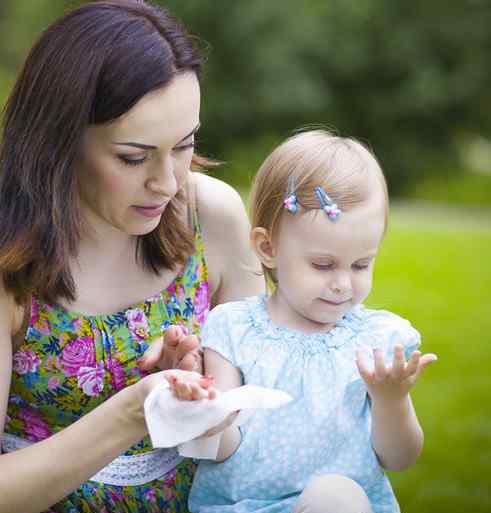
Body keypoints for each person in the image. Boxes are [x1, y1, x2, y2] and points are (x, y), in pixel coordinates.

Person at [0, 2, 263, 512]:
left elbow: (259, 427)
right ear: (58, 140)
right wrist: (133, 412)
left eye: (184, 145)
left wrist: (201, 397)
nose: (168, 183)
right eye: (133, 156)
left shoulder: (211, 216)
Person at [166, 130, 438, 513]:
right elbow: (219, 451)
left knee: (334, 496)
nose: (343, 283)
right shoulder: (234, 329)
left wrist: (391, 400)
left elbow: (399, 458)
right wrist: (206, 413)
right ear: (268, 248)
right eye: (323, 265)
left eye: (361, 264)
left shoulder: (375, 341)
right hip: (245, 505)